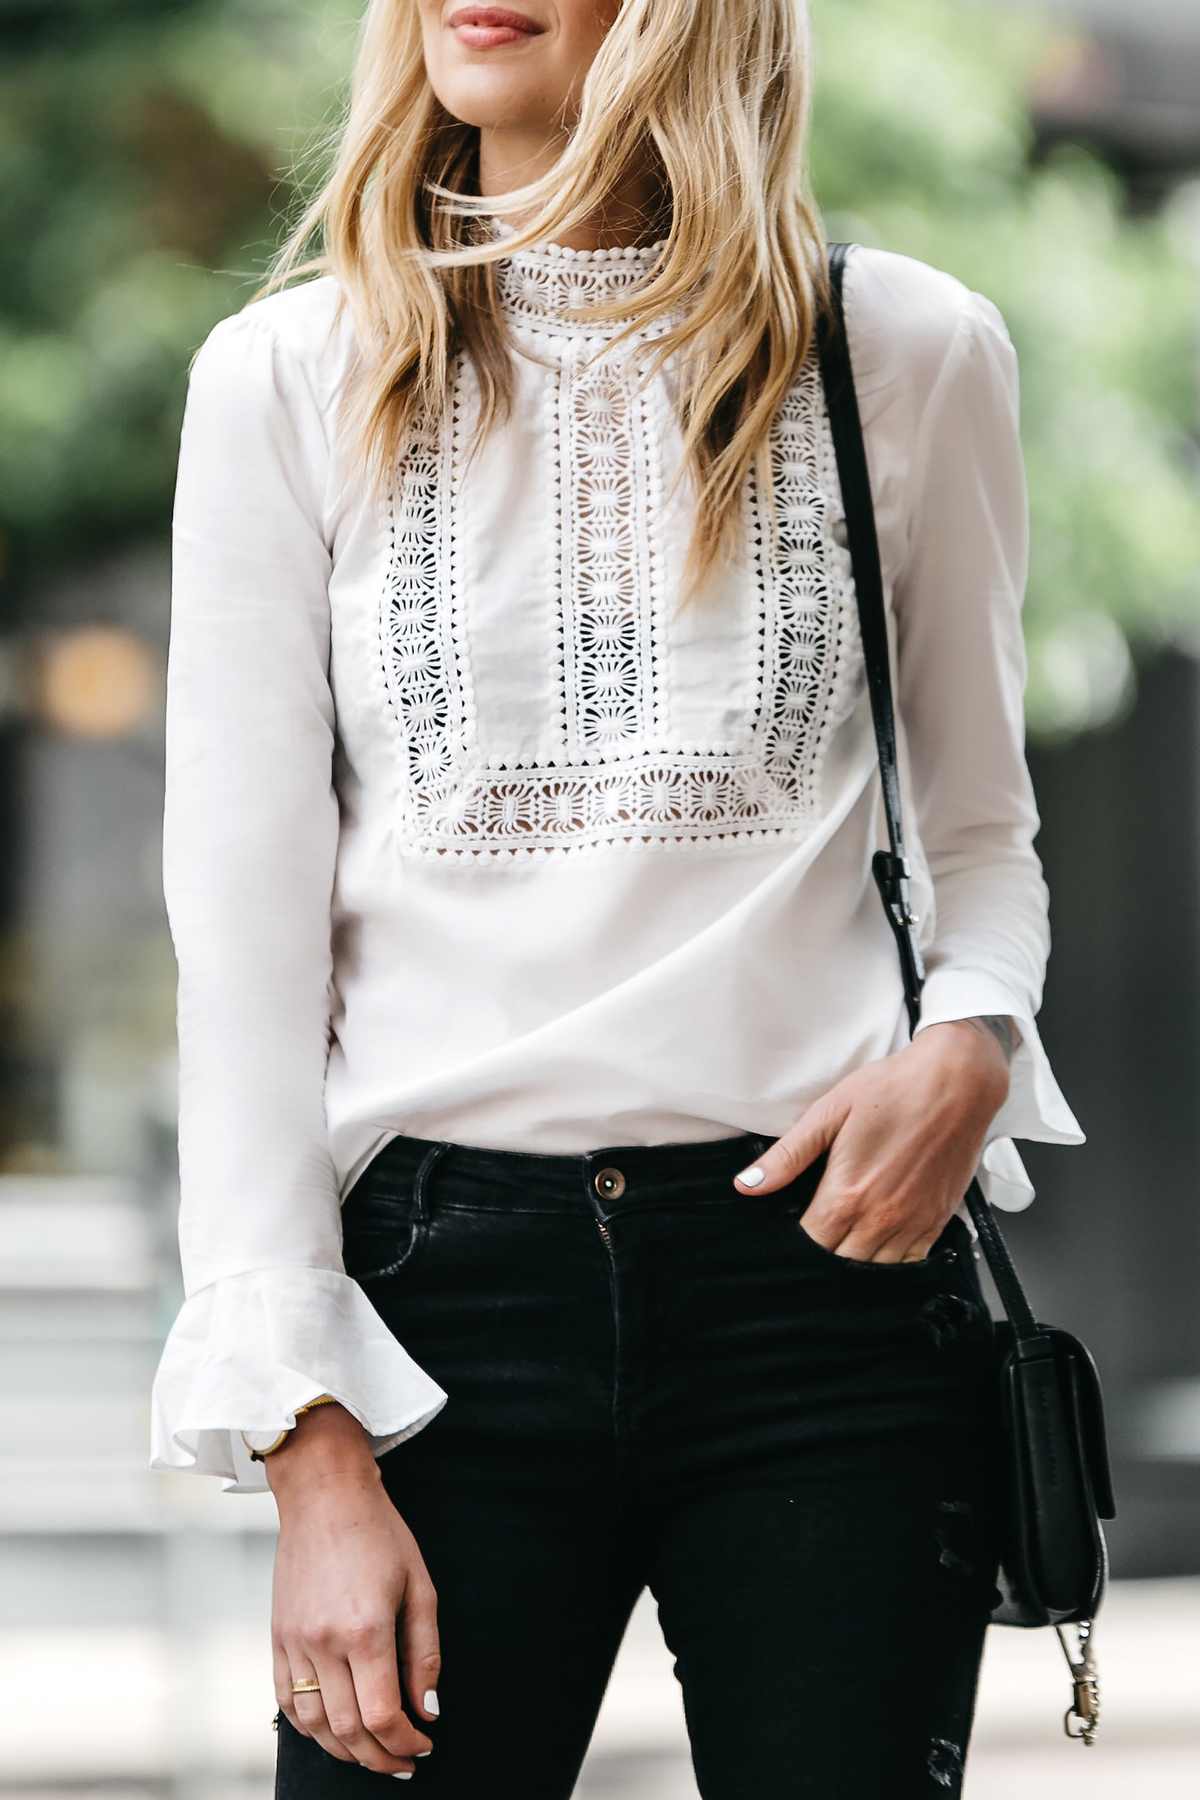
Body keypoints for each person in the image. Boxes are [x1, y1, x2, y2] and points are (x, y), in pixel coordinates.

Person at [149, 1, 1082, 1794]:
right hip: (429, 1319)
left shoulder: (904, 350)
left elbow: (980, 837)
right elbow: (246, 962)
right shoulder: (284, 378)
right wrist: (310, 1451)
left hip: (829, 1287)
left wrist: (975, 1036)